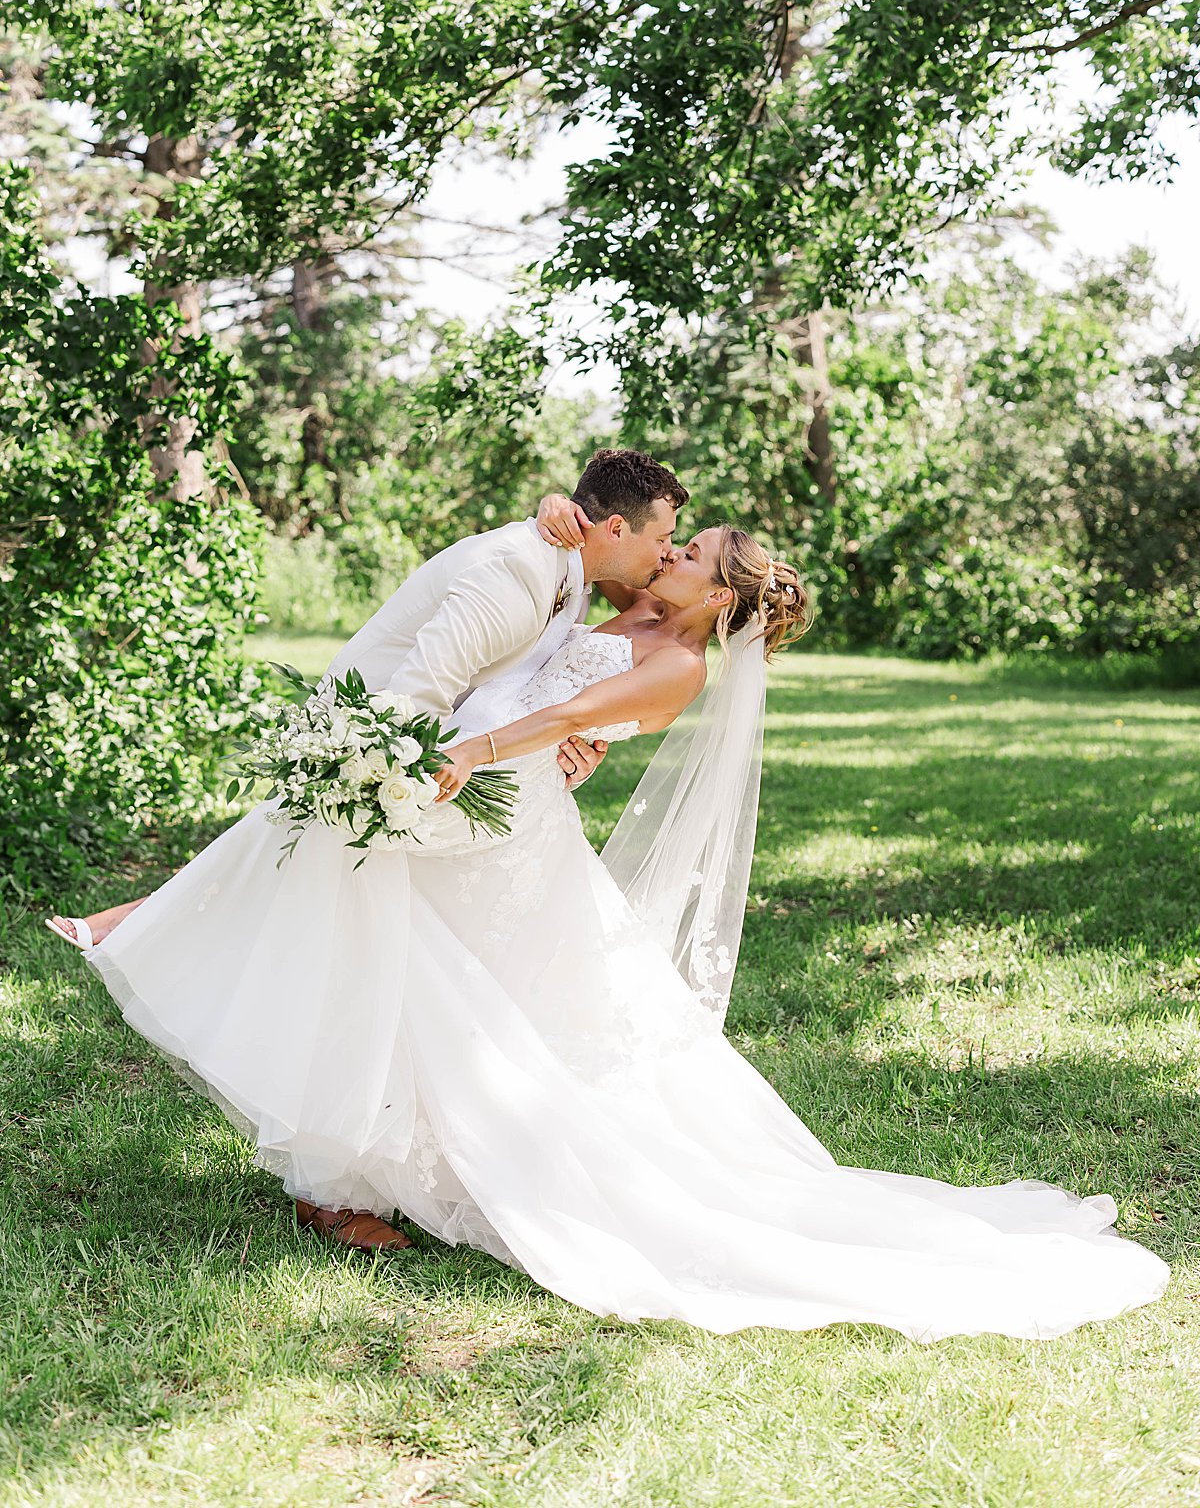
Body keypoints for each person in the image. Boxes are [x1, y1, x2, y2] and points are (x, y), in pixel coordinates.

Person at [44, 462, 1169, 1339]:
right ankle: (325, 1156)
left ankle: (327, 1143)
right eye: (677, 537)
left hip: (491, 811)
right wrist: (546, 550)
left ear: (716, 595)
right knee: (391, 954)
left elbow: (550, 722)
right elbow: (557, 614)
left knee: (468, 1001)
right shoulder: (616, 604)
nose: (674, 550)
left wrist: (472, 748)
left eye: (696, 551)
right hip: (470, 798)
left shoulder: (678, 664)